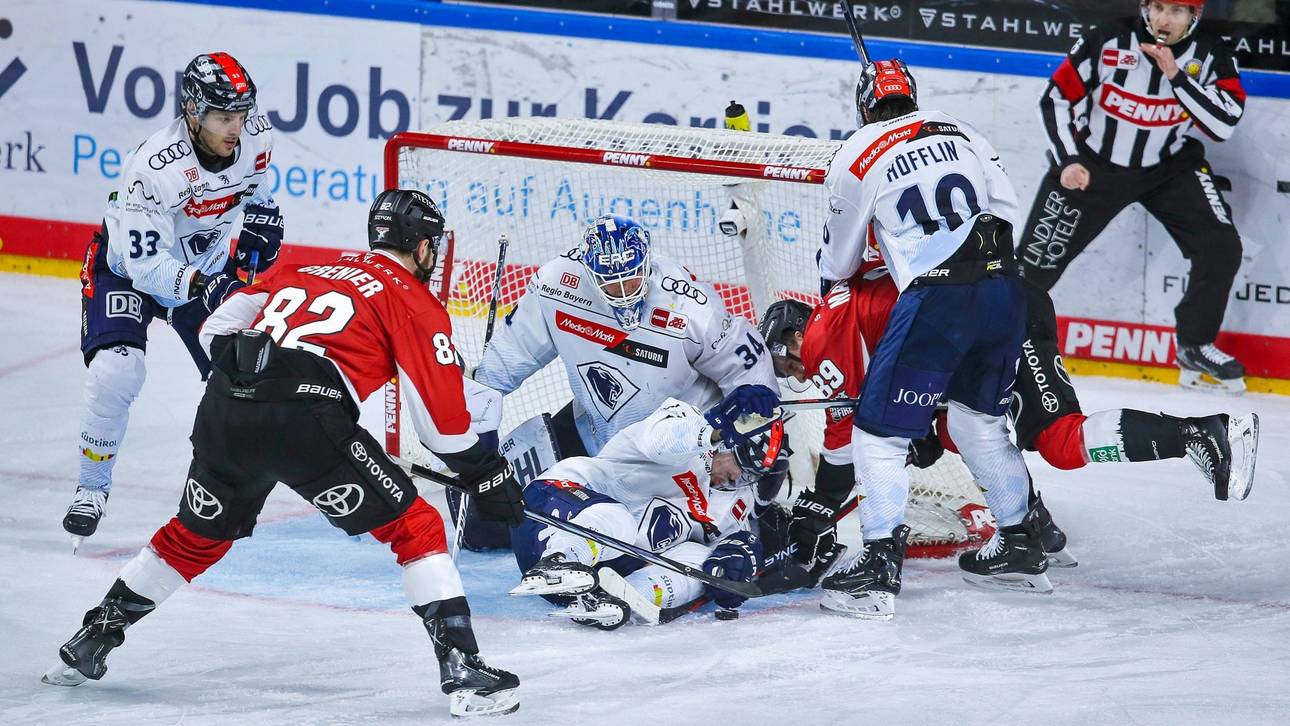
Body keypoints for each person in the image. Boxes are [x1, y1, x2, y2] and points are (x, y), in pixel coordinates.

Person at [42, 190, 526, 719]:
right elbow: (442, 430)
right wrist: (488, 472)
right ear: (427, 246)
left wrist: (254, 384)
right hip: (307, 422)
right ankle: (463, 668)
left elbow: (215, 329)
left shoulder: (311, 268)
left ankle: (94, 636)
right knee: (417, 527)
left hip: (225, 408)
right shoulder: (413, 301)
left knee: (195, 535)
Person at [758, 260, 1260, 597]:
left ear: (793, 334)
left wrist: (817, 509)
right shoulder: (857, 319)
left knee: (1060, 440)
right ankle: (1031, 522)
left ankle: (1203, 433)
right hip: (987, 317)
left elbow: (848, 442)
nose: (799, 376)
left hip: (996, 320)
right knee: (959, 427)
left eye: (788, 363)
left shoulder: (827, 333)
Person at [814, 58, 1044, 619]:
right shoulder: (963, 129)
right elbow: (1007, 213)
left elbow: (840, 261)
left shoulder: (858, 150)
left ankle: (876, 562)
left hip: (940, 298)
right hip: (1006, 290)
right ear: (913, 97)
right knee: (975, 421)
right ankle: (1018, 543)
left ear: (865, 106)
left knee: (878, 432)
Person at [67, 52, 285, 547]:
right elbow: (147, 267)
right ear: (192, 112)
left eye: (241, 115)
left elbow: (255, 193)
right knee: (116, 372)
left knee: (242, 382)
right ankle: (91, 488)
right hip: (127, 271)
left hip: (201, 270)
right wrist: (204, 287)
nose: (236, 128)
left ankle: (229, 494)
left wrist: (264, 222)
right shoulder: (152, 167)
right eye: (223, 117)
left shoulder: (256, 134)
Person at [1020, 0, 1249, 392]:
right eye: (1158, 7)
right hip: (1093, 167)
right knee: (1031, 267)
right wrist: (1067, 161)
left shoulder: (1212, 54)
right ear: (1145, 8)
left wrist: (1176, 75)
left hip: (1169, 167)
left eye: (1177, 12)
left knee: (1221, 247)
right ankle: (994, 342)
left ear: (1194, 17)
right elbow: (1056, 97)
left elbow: (1223, 124)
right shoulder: (1108, 39)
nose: (1164, 20)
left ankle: (1194, 346)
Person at [473, 214, 780, 460]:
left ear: (648, 265)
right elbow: (512, 354)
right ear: (589, 274)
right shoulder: (556, 285)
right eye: (611, 284)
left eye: (631, 278)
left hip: (686, 450)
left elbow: (749, 371)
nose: (624, 292)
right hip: (597, 439)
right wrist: (472, 416)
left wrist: (731, 452)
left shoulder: (690, 307)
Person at [508, 398, 789, 628]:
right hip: (551, 514)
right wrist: (713, 430)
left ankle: (617, 599)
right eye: (739, 464)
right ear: (728, 443)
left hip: (592, 576)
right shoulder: (684, 422)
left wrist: (732, 562)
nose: (735, 478)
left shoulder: (727, 507)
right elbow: (661, 440)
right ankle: (559, 562)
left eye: (747, 477)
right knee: (619, 520)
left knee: (700, 559)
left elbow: (726, 553)